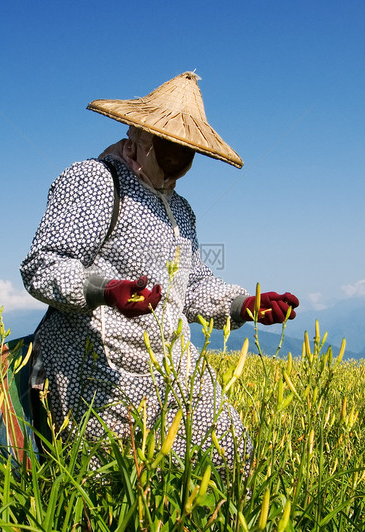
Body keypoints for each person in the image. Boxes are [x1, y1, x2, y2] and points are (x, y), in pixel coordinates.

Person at [20, 72, 299, 470]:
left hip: (173, 366)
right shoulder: (95, 182)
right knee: (118, 480)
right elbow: (43, 266)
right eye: (169, 144)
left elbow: (194, 287)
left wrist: (244, 304)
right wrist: (104, 290)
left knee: (231, 453)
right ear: (140, 136)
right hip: (100, 366)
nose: (179, 157)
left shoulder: (181, 212)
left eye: (188, 150)